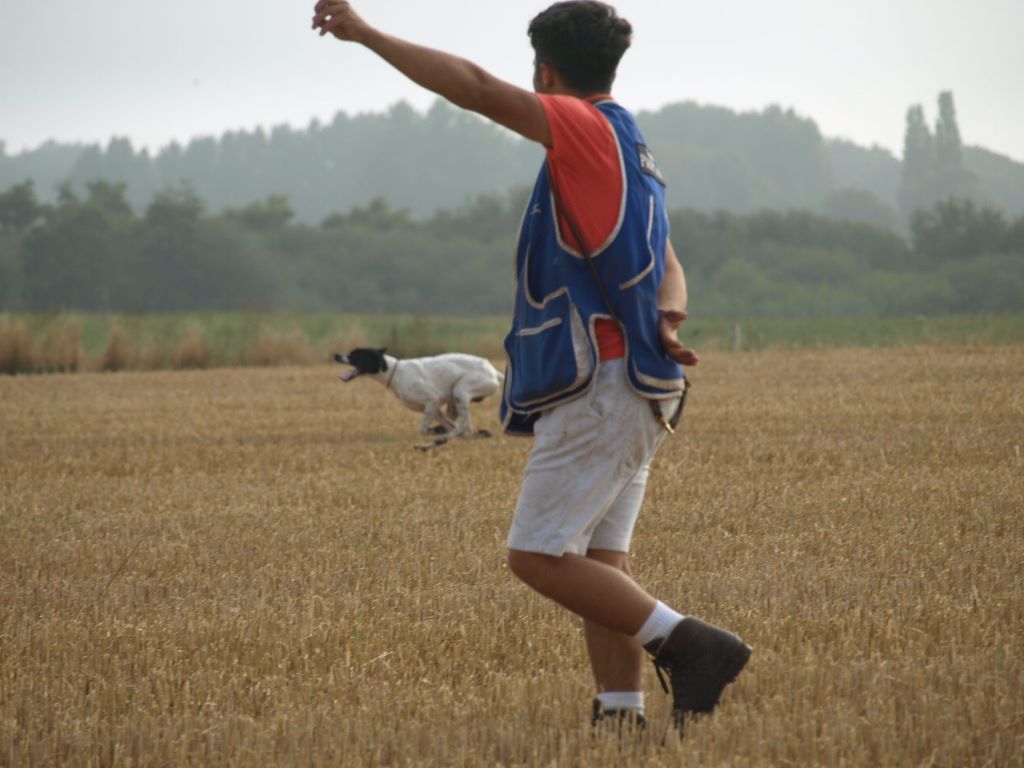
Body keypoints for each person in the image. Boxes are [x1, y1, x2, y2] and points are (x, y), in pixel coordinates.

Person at [312, 0, 750, 729]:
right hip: (642, 384)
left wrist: (365, 33)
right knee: (600, 566)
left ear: (545, 72)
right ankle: (620, 715)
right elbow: (670, 263)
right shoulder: (634, 148)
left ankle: (692, 644)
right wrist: (668, 318)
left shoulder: (581, 128)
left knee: (537, 556)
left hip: (599, 386)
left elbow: (475, 88)